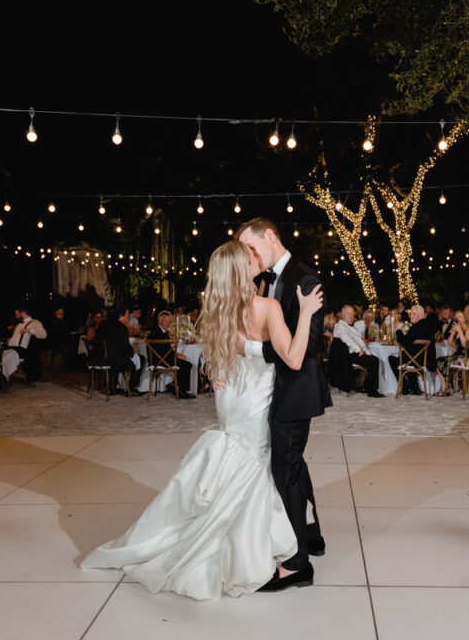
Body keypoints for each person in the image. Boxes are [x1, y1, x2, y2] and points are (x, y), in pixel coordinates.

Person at [82, 240, 323, 599]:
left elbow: (217, 358)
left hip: (231, 399)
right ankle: (242, 541)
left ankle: (231, 528)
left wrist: (220, 370)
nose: (256, 260)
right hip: (254, 399)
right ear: (242, 269)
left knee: (234, 455)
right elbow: (292, 358)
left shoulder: (216, 310)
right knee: (252, 463)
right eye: (250, 258)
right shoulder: (267, 306)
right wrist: (304, 314)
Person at [238, 217, 331, 591]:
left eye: (251, 248)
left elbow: (305, 349)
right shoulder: (269, 279)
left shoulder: (305, 278)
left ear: (270, 237)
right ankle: (311, 533)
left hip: (296, 390)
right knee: (294, 463)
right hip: (281, 389)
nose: (250, 256)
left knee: (285, 469)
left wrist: (248, 350)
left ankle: (296, 564)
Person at [388, 304, 444, 396]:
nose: (411, 316)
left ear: (420, 315)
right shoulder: (429, 326)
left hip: (417, 360)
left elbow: (404, 342)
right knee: (409, 356)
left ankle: (405, 387)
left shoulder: (416, 327)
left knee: (392, 359)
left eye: (413, 314)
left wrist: (398, 331)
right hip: (427, 360)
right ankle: (415, 388)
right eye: (411, 314)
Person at [333, 304, 384, 397]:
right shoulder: (340, 326)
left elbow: (360, 341)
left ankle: (367, 387)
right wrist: (358, 350)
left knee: (373, 359)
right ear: (343, 315)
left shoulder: (351, 327)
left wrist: (367, 352)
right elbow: (347, 339)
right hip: (347, 356)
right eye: (348, 313)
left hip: (353, 354)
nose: (351, 316)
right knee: (374, 361)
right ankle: (371, 390)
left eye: (352, 314)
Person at [147, 310, 195, 399]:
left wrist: (177, 355)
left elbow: (165, 350)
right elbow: (163, 351)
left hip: (161, 358)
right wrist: (177, 356)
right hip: (159, 360)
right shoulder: (157, 333)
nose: (169, 323)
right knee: (186, 365)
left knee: (183, 363)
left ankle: (172, 385)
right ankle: (182, 391)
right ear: (161, 322)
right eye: (167, 321)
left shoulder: (159, 331)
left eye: (170, 321)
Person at [96, 305, 140, 394]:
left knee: (117, 355)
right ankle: (131, 388)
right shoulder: (122, 328)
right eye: (127, 316)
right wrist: (133, 352)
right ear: (121, 316)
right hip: (114, 362)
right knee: (140, 359)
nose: (128, 318)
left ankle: (113, 386)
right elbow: (125, 348)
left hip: (100, 359)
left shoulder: (102, 324)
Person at [437, 310, 469, 394]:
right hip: (457, 356)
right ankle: (445, 386)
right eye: (456, 317)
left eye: (460, 317)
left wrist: (459, 331)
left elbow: (465, 345)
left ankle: (447, 388)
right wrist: (452, 334)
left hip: (466, 357)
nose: (458, 319)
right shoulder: (457, 330)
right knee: (438, 361)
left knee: (445, 362)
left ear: (464, 318)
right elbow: (449, 344)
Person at [4, 304, 46, 382]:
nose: (16, 316)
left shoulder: (35, 322)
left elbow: (44, 335)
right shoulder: (19, 324)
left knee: (6, 357)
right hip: (13, 347)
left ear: (22, 313)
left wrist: (29, 330)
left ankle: (3, 377)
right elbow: (14, 339)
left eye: (16, 314)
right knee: (0, 355)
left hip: (24, 350)